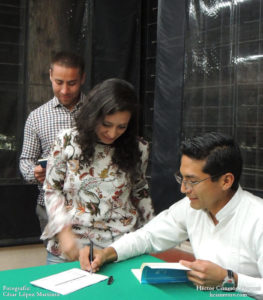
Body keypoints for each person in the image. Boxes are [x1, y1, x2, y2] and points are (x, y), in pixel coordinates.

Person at [79, 132, 263, 299]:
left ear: (226, 181)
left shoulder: (257, 218)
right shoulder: (191, 208)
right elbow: (148, 236)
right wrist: (106, 253)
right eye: (181, 178)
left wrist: (229, 279)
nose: (184, 189)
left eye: (193, 181)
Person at [41, 78, 154, 264]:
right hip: (71, 247)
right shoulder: (67, 141)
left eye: (122, 127)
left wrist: (153, 231)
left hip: (119, 248)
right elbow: (52, 189)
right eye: (106, 124)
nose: (112, 133)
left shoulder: (139, 148)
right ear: (93, 115)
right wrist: (64, 231)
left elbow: (140, 191)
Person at [19, 51, 86, 235]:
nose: (65, 90)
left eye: (72, 83)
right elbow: (25, 160)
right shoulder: (37, 117)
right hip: (50, 205)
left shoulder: (97, 112)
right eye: (59, 82)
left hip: (92, 206)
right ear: (50, 75)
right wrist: (34, 172)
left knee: (95, 261)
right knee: (57, 263)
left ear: (82, 78)